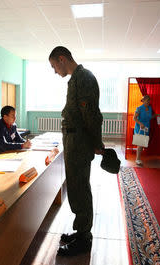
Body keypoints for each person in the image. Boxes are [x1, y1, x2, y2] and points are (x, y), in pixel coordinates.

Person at [49, 46, 104, 256]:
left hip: (79, 141)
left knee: (79, 186)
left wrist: (96, 143)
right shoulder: (76, 79)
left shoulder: (84, 78)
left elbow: (92, 115)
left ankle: (84, 238)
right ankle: (81, 231)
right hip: (73, 139)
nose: (55, 71)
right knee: (74, 185)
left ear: (62, 59)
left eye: (54, 66)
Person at [133, 95, 160, 166]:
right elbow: (134, 118)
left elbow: (149, 117)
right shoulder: (139, 108)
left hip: (147, 127)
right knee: (140, 143)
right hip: (140, 127)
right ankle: (137, 159)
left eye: (149, 100)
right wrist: (140, 123)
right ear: (143, 100)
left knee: (142, 143)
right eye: (147, 100)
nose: (148, 102)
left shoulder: (150, 108)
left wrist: (156, 115)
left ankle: (138, 158)